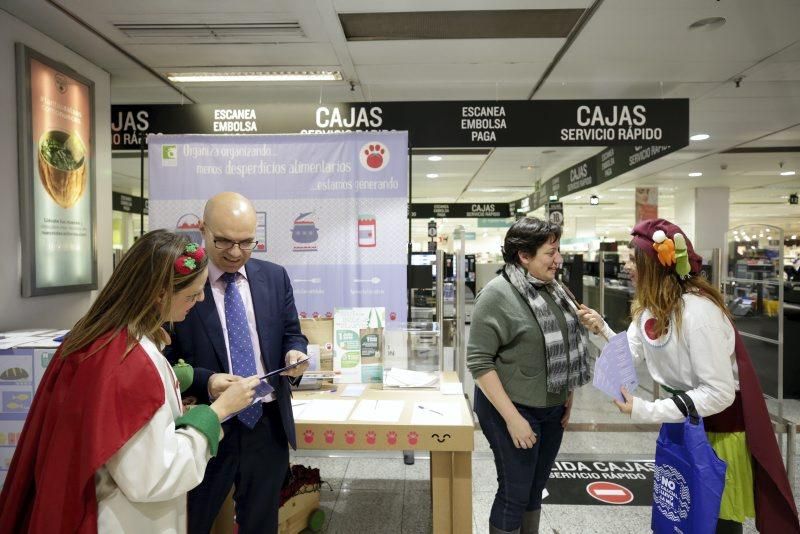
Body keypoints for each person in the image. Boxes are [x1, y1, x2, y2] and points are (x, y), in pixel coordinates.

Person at [0, 229, 261, 534]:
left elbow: (109, 414)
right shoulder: (130, 362)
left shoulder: (99, 338)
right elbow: (153, 476)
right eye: (192, 294)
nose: (201, 299)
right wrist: (214, 413)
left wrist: (175, 392)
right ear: (159, 294)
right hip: (120, 518)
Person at [579, 218, 800, 534]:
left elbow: (719, 392)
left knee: (715, 523)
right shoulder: (650, 311)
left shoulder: (698, 313)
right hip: (683, 425)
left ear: (655, 266)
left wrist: (649, 410)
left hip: (719, 435)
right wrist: (601, 328)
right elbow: (627, 357)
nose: (627, 267)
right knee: (681, 518)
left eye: (634, 260)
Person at [165, 191, 309, 534]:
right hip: (206, 422)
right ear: (202, 229)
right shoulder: (181, 282)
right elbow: (165, 358)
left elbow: (292, 332)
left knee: (261, 523)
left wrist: (294, 354)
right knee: (191, 521)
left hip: (267, 422)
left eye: (246, 243)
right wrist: (206, 380)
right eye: (224, 242)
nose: (235, 253)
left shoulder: (274, 277)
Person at [466, 217, 592, 534]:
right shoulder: (497, 295)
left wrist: (568, 397)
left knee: (535, 490)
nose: (558, 259)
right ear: (524, 255)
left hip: (552, 408)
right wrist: (512, 418)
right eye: (550, 252)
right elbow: (479, 362)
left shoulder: (556, 290)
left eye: (558, 250)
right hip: (511, 408)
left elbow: (565, 346)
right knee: (514, 493)